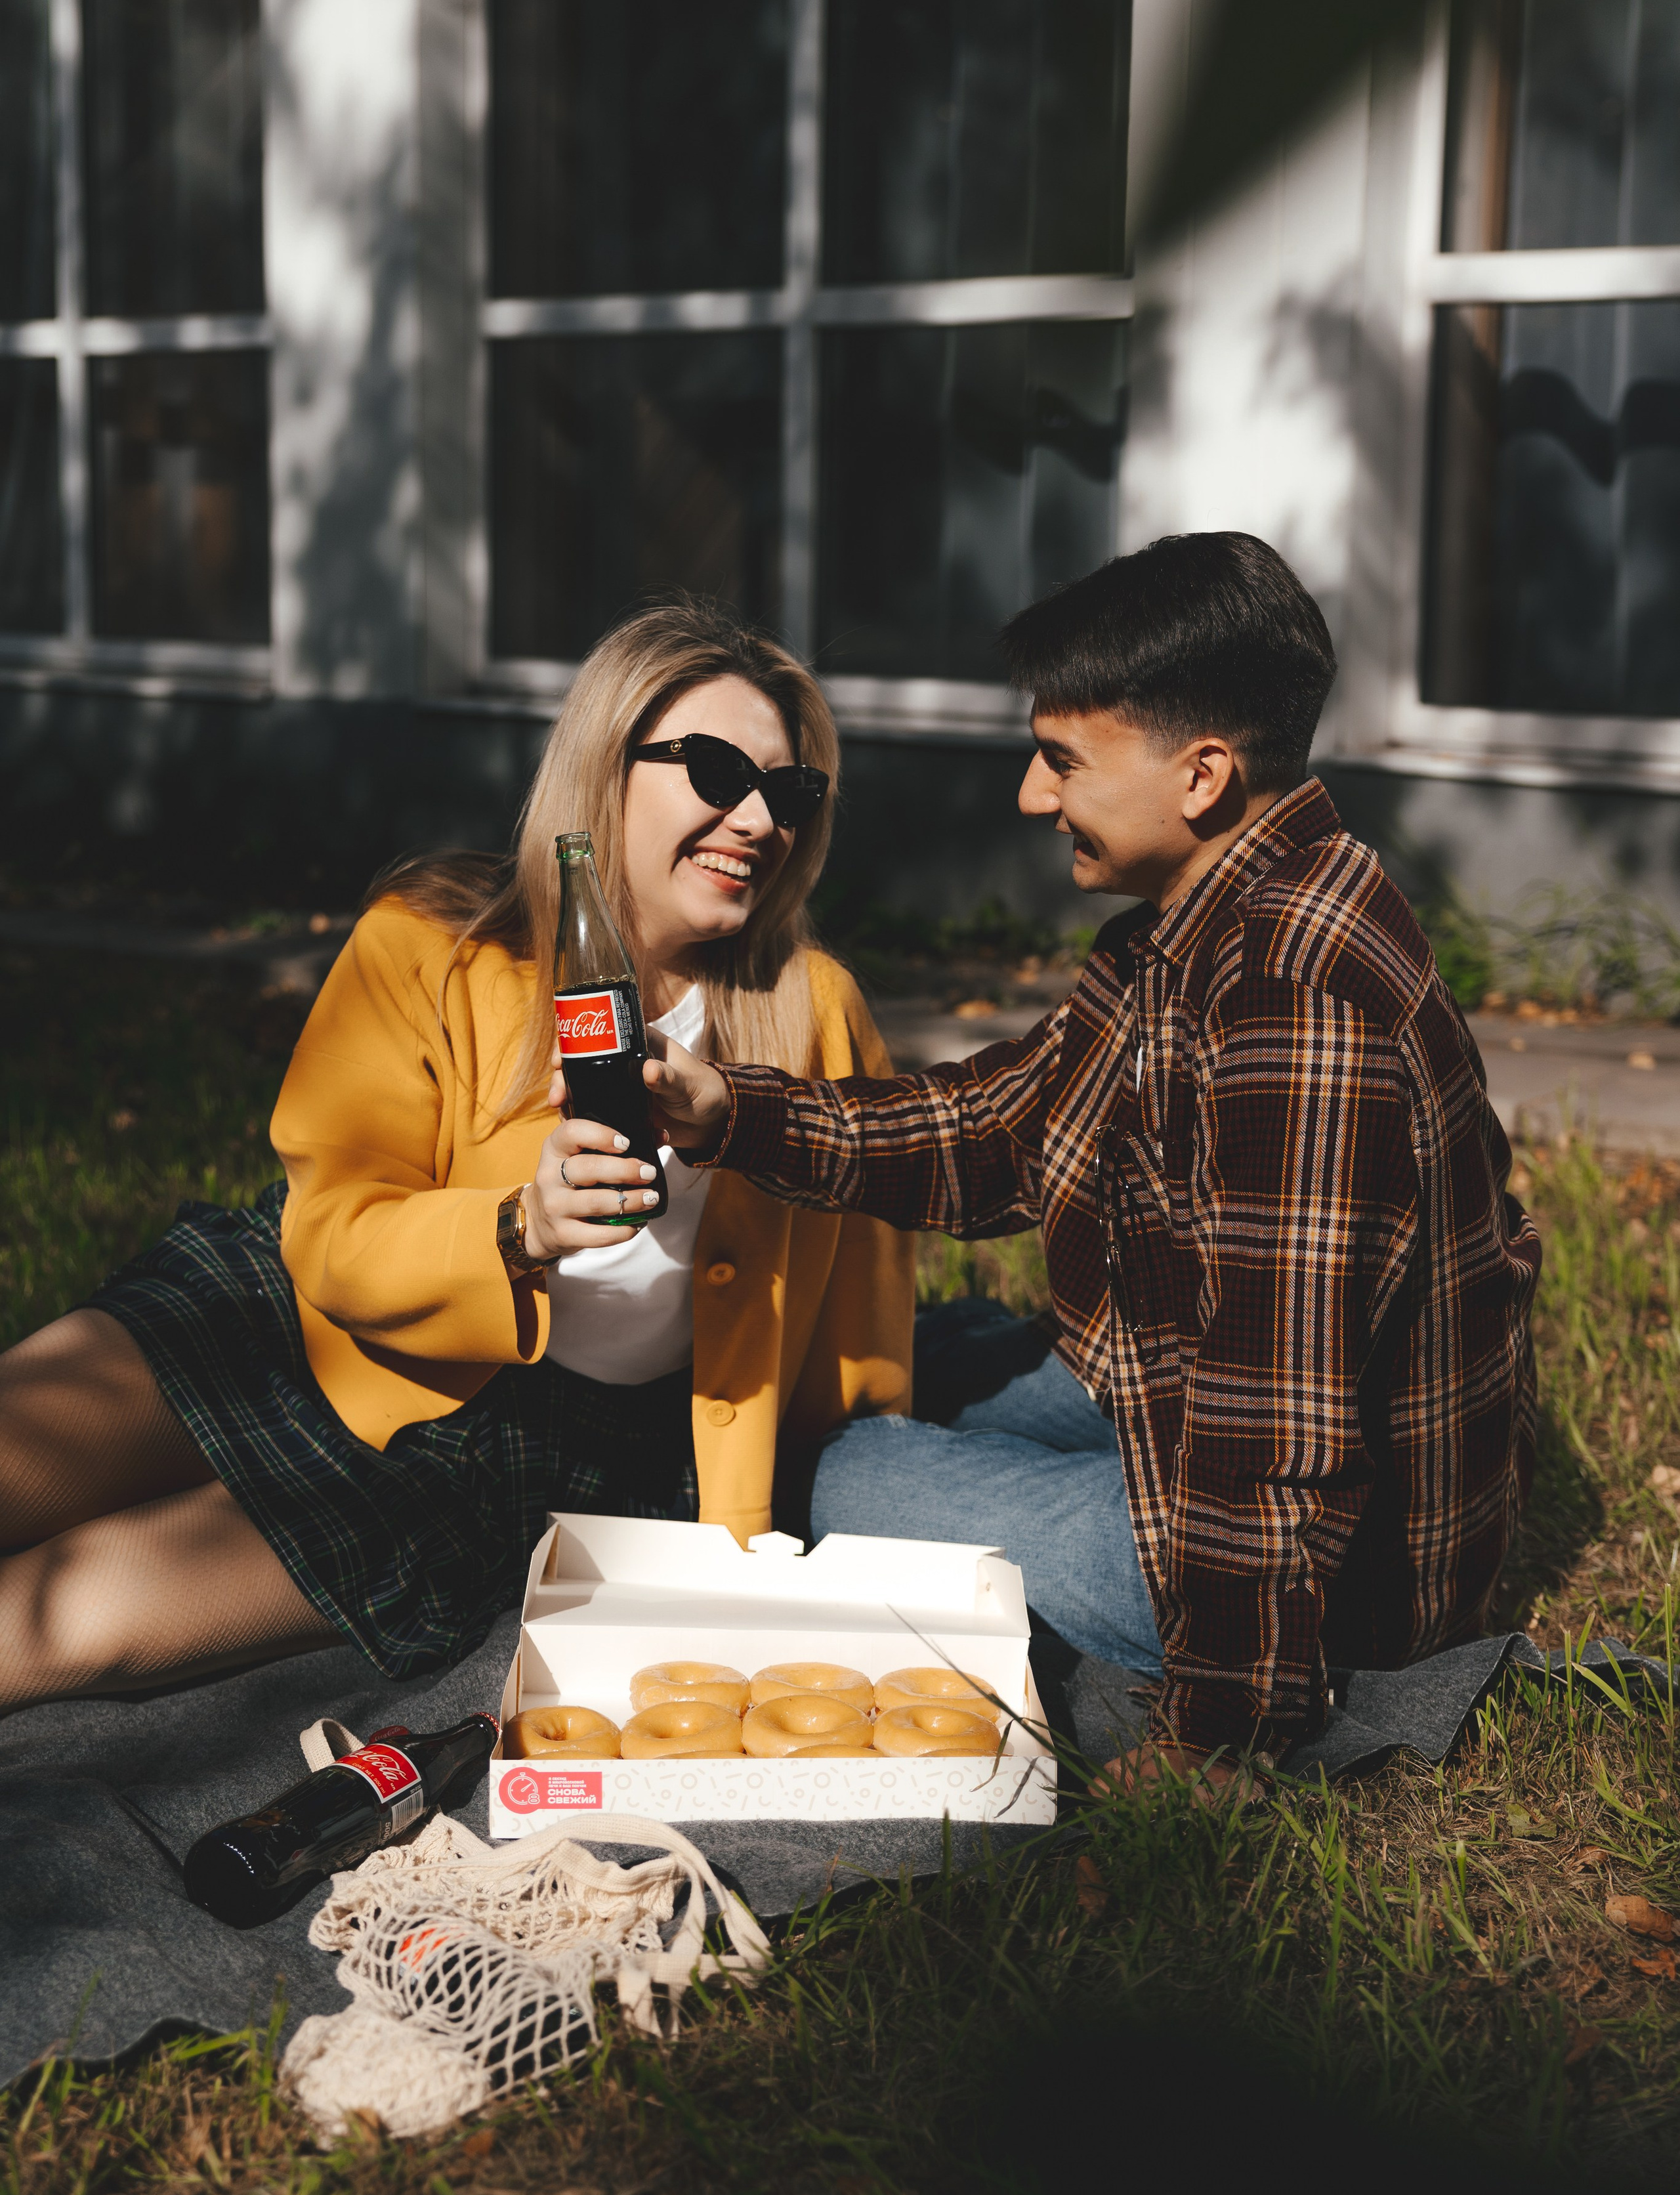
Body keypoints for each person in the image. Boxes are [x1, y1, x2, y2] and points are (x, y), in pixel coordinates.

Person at [646, 534, 1542, 1787]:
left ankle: (1227, 1660)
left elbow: (1275, 1427)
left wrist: (1222, 1737)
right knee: (923, 1345)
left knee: (834, 1465)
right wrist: (730, 1114)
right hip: (1191, 1372)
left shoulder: (1294, 1001)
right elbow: (999, 1129)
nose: (1030, 793)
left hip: (1332, 1579)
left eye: (1062, 759)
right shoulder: (1194, 928)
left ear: (1202, 774)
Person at [0, 602, 913, 1714]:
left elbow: (864, 1298)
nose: (759, 818)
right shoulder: (437, 941)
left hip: (503, 1450)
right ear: (605, 766)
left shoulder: (812, 1013)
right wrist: (513, 1229)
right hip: (297, 1317)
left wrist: (849, 1503)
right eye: (719, 769)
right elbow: (333, 1231)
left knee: (61, 1625)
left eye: (789, 790)